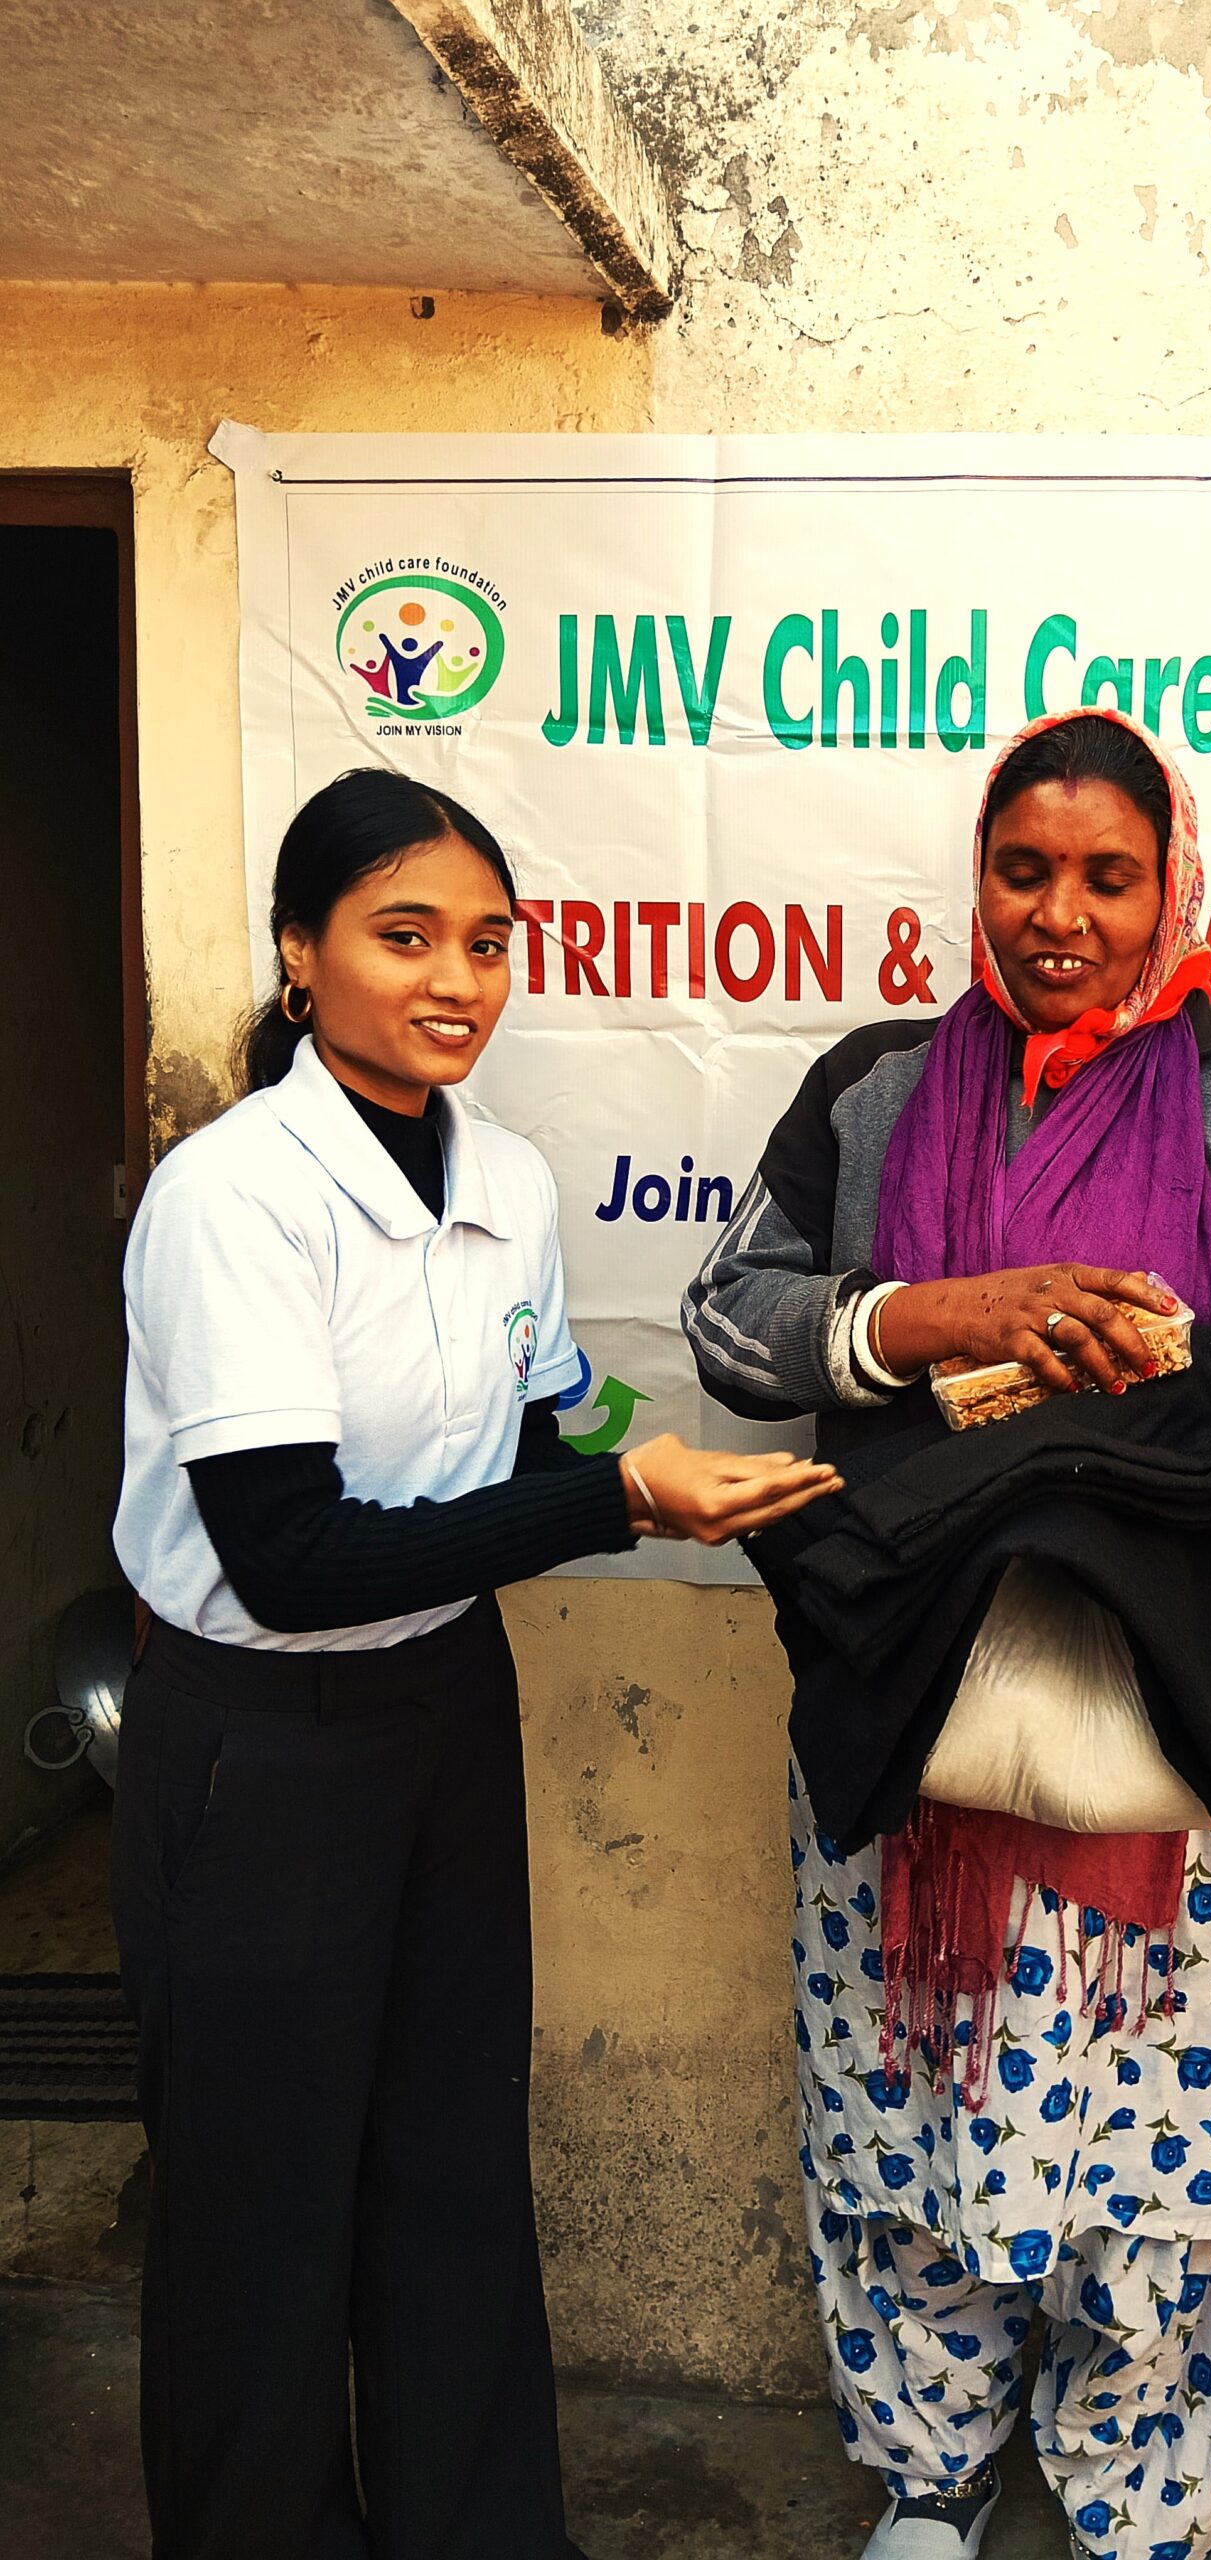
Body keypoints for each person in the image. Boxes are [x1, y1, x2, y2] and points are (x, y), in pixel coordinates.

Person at [683, 708, 1211, 2560]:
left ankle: (1133, 2502)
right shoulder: (875, 1093)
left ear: (1173, 887)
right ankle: (928, 2480)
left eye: (1106, 875)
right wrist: (941, 1315)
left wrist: (1158, 1407)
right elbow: (730, 1326)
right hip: (919, 1717)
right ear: (976, 881)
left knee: (1167, 2148)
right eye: (1023, 870)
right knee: (910, 2122)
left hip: (1178, 1747)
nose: (1060, 914)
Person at [111, 767, 837, 2560]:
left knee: (447, 2167)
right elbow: (286, 1558)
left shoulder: (505, 1179)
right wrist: (614, 1498)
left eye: (489, 943)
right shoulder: (233, 1198)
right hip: (258, 1742)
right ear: (301, 956)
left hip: (443, 1711)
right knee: (266, 2209)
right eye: (403, 935)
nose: (456, 980)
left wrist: (669, 1486)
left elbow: (527, 1444)